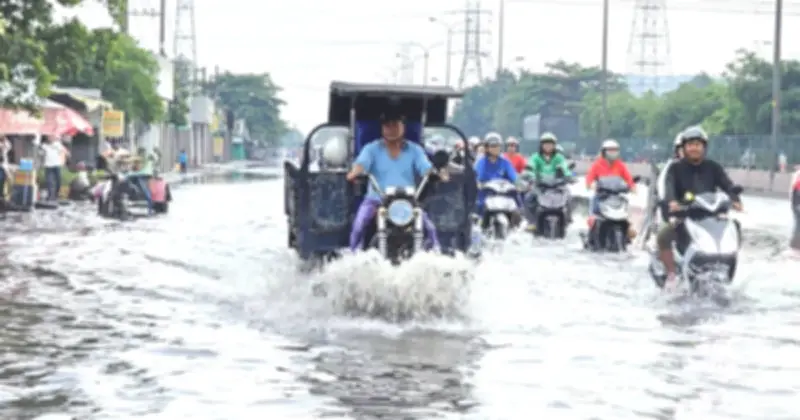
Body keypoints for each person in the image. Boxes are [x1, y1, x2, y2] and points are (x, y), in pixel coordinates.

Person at [346, 111, 447, 251]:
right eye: (387, 125)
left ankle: (435, 254)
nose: (391, 129)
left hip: (408, 200)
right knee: (359, 224)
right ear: (382, 128)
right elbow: (361, 164)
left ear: (403, 127)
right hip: (377, 199)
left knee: (429, 227)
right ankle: (352, 256)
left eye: (395, 125)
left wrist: (435, 174)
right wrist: (355, 172)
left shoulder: (414, 150)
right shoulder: (371, 149)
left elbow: (425, 167)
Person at [656, 126, 743, 288]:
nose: (694, 148)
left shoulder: (713, 167)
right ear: (684, 148)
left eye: (697, 144)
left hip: (710, 215)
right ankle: (671, 274)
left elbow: (727, 185)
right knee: (663, 234)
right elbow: (668, 188)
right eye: (690, 145)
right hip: (685, 214)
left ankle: (729, 265)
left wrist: (735, 199)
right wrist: (672, 202)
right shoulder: (675, 168)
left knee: (735, 227)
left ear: (704, 147)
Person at [522, 132, 573, 230]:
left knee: (569, 196)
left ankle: (567, 220)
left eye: (550, 144)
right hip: (540, 185)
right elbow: (530, 167)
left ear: (554, 145)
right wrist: (531, 175)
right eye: (546, 144)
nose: (548, 146)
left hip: (557, 186)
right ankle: (532, 221)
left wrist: (568, 176)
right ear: (541, 145)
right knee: (528, 198)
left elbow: (565, 168)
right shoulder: (535, 157)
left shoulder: (559, 157)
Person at [585, 139, 636, 233]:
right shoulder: (597, 165)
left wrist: (632, 187)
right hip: (601, 196)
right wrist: (591, 185)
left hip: (616, 196)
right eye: (610, 150)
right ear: (604, 152)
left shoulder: (620, 165)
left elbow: (628, 178)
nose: (613, 153)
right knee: (593, 209)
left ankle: (627, 231)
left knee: (626, 210)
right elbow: (589, 178)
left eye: (615, 150)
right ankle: (592, 231)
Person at [474, 135, 520, 225]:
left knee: (517, 202)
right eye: (492, 146)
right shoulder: (481, 162)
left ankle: (518, 225)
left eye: (497, 146)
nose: (495, 148)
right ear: (487, 148)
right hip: (486, 193)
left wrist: (518, 184)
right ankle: (480, 223)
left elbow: (513, 177)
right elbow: (477, 177)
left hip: (504, 193)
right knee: (478, 205)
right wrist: (478, 183)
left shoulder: (505, 162)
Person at [40, 136, 70, 201]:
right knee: (49, 182)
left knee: (58, 181)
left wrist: (63, 152)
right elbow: (41, 153)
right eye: (49, 136)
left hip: (57, 165)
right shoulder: (44, 146)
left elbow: (67, 153)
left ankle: (55, 195)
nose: (50, 138)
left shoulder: (58, 144)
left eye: (52, 136)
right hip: (48, 166)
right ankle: (50, 196)